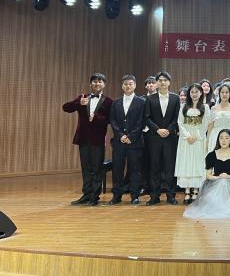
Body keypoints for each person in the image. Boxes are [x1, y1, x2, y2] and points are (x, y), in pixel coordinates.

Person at [62, 73, 113, 206]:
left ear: (104, 84)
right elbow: (65, 108)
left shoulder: (109, 101)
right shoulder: (82, 97)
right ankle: (86, 194)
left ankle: (94, 196)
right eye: (94, 81)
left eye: (100, 81)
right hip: (83, 138)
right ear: (90, 84)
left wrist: (97, 118)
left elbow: (110, 119)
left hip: (98, 139)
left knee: (97, 168)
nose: (97, 83)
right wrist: (78, 103)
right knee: (85, 168)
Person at [184, 129, 230, 219]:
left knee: (224, 182)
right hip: (214, 181)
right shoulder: (211, 155)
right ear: (218, 140)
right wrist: (219, 178)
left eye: (226, 138)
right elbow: (208, 175)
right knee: (222, 182)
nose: (223, 140)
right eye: (221, 138)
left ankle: (225, 208)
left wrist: (227, 176)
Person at [145, 71, 181, 206]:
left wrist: (169, 130)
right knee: (154, 167)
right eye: (160, 80)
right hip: (154, 138)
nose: (163, 82)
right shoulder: (150, 99)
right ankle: (154, 196)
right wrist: (157, 130)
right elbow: (147, 117)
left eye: (165, 80)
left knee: (169, 167)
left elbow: (177, 117)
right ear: (157, 83)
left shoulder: (175, 98)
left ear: (169, 82)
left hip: (170, 138)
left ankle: (171, 195)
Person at [109, 74, 146, 205]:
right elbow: (113, 120)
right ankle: (116, 196)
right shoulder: (116, 102)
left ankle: (135, 195)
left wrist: (131, 136)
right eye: (125, 84)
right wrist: (121, 135)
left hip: (135, 142)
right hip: (119, 142)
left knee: (135, 170)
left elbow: (142, 121)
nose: (128, 86)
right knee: (117, 169)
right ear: (122, 86)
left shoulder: (142, 102)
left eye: (130, 84)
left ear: (135, 85)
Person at [175, 83, 211, 205]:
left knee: (197, 163)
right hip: (185, 140)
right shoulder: (184, 106)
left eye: (197, 92)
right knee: (186, 163)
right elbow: (180, 122)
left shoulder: (205, 107)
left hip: (199, 140)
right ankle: (187, 191)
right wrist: (187, 136)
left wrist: (196, 136)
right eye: (192, 92)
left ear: (201, 93)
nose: (194, 94)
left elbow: (206, 124)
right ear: (189, 94)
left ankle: (195, 191)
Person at [207, 83, 230, 153]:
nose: (224, 94)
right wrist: (207, 142)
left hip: (229, 135)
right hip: (215, 136)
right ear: (219, 94)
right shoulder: (214, 108)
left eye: (226, 92)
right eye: (222, 92)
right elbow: (210, 126)